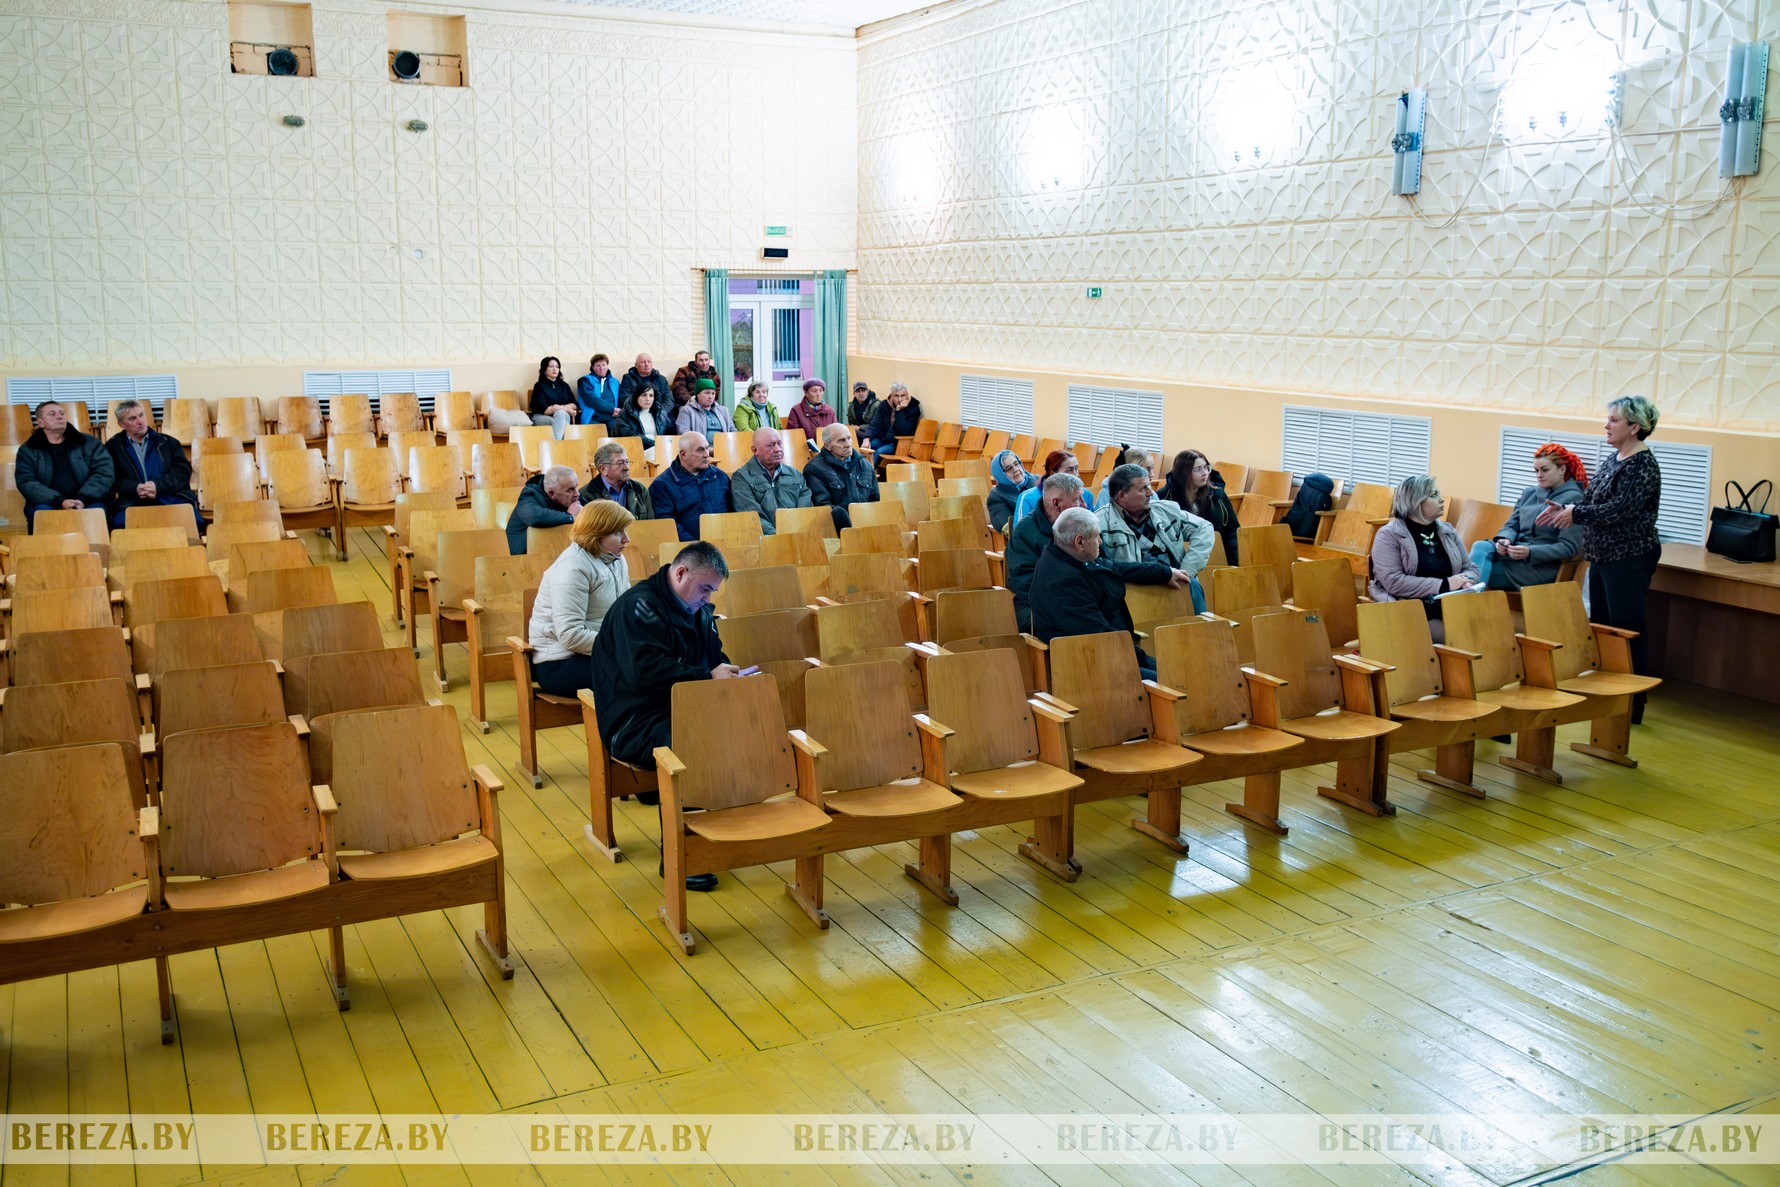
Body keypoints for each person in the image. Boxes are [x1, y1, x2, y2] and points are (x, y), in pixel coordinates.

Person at [590, 540, 741, 892]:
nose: (707, 597)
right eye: (704, 588)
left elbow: (713, 656)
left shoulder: (698, 610)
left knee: (742, 726)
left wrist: (724, 671)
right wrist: (706, 677)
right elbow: (645, 673)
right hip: (633, 720)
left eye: (712, 591)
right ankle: (680, 856)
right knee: (691, 745)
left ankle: (723, 830)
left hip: (682, 709)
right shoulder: (638, 608)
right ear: (680, 572)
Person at [1537, 395, 1663, 722]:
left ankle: (1633, 702)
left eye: (1614, 420)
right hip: (1603, 555)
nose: (1606, 425)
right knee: (1602, 626)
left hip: (1629, 556)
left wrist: (1575, 513)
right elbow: (1593, 500)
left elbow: (1620, 510)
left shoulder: (1642, 465)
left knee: (1626, 628)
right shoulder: (1615, 458)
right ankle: (1608, 695)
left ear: (1635, 427)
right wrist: (1566, 509)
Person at [1007, 471, 1193, 634]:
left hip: (1084, 598)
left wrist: (1163, 572)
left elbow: (1105, 564)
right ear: (1056, 504)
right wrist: (1088, 593)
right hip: (1048, 608)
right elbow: (1026, 584)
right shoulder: (1025, 532)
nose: (1085, 505)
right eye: (1077, 499)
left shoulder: (1082, 525)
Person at [1030, 507, 1176, 679]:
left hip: (1113, 652)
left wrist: (1164, 572)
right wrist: (1144, 659)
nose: (1100, 542)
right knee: (1173, 679)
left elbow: (1114, 567)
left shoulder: (1066, 553)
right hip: (1092, 665)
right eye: (1097, 536)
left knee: (1178, 672)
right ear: (1080, 542)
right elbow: (1099, 635)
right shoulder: (1062, 582)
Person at [527, 500, 633, 697]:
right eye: (618, 532)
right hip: (560, 662)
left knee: (657, 663)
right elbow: (570, 636)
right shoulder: (573, 568)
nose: (626, 539)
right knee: (641, 676)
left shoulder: (615, 558)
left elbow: (626, 611)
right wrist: (622, 645)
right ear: (595, 533)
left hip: (596, 652)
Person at [1368, 475, 1480, 636]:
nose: (1442, 500)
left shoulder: (1447, 530)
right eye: (1434, 495)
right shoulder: (1389, 535)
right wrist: (1443, 585)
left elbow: (1470, 568)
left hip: (1451, 606)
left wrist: (1466, 581)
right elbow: (1394, 582)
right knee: (1457, 637)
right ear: (1415, 502)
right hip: (1410, 608)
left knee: (1491, 632)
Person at [1097, 463, 1211, 612]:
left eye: (1149, 486)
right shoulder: (1099, 523)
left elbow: (1204, 528)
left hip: (1175, 583)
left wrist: (1186, 571)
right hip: (1133, 592)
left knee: (1192, 584)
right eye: (1143, 489)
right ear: (1122, 495)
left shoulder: (1166, 510)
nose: (1150, 493)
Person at [1472, 443, 1586, 591]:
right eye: (1536, 470)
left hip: (1537, 568)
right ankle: (1465, 604)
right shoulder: (1529, 493)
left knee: (1469, 572)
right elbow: (1511, 525)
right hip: (1511, 557)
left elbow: (1569, 548)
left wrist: (1530, 551)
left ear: (1562, 469)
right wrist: (1504, 540)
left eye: (1545, 470)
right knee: (1480, 546)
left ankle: (1463, 605)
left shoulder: (1575, 501)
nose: (1539, 475)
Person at [16, 400, 113, 529]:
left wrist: (84, 499)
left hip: (88, 500)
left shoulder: (89, 443)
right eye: (52, 414)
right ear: (40, 422)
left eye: (62, 413)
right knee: (42, 515)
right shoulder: (28, 449)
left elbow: (104, 472)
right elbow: (26, 482)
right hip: (48, 502)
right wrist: (60, 501)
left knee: (96, 512)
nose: (59, 416)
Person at [106, 399, 200, 532]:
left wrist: (158, 486)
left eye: (141, 415)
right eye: (133, 418)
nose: (140, 421)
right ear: (121, 424)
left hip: (170, 497)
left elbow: (182, 471)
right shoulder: (113, 447)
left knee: (193, 522)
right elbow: (111, 478)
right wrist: (135, 488)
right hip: (133, 502)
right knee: (119, 524)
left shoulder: (168, 442)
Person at [1161, 449, 1239, 564]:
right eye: (1197, 470)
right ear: (1183, 473)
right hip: (1180, 560)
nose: (1205, 473)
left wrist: (1235, 563)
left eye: (1206, 467)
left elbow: (1231, 532)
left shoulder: (1218, 495)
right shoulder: (1164, 498)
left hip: (1215, 557)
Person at [648, 432, 730, 541]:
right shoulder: (662, 486)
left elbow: (734, 513)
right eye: (700, 450)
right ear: (683, 454)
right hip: (687, 551)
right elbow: (668, 525)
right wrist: (696, 547)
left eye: (707, 448)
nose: (706, 454)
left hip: (726, 542)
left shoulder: (720, 476)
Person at [730, 427, 812, 534]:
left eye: (779, 443)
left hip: (798, 535)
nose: (778, 449)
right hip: (764, 540)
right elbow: (752, 516)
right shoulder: (741, 478)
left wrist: (797, 532)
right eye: (771, 445)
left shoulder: (795, 474)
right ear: (755, 450)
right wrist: (777, 537)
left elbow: (805, 509)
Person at [803, 422, 879, 531]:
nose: (848, 444)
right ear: (827, 446)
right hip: (835, 529)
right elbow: (824, 508)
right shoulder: (814, 469)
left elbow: (874, 500)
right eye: (841, 441)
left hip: (866, 525)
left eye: (849, 438)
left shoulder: (865, 465)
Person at [505, 465, 582, 554]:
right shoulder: (530, 495)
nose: (577, 494)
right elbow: (533, 516)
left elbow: (593, 510)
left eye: (576, 487)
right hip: (524, 559)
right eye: (570, 490)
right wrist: (571, 517)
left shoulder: (571, 495)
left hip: (555, 553)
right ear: (552, 494)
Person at [578, 441, 654, 520]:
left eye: (627, 462)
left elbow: (651, 524)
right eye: (620, 463)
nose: (627, 467)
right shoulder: (586, 495)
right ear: (603, 469)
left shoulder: (639, 489)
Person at [1013, 450, 1077, 527]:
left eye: (1076, 468)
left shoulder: (1085, 494)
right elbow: (1020, 533)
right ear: (1053, 474)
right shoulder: (1028, 498)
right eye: (1069, 470)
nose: (1075, 474)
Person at [863, 383, 921, 466]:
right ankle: (858, 474)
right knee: (868, 447)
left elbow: (904, 431)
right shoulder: (884, 405)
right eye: (896, 396)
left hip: (897, 443)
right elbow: (875, 423)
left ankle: (868, 476)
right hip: (882, 438)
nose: (900, 399)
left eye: (903, 395)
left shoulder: (913, 408)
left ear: (907, 395)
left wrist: (899, 410)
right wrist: (867, 437)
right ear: (891, 395)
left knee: (879, 452)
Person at [986, 449, 1038, 536]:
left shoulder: (1039, 480)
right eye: (1009, 468)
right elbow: (1010, 529)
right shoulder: (996, 497)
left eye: (1016, 464)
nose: (1015, 469)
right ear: (1000, 474)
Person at [529, 356, 577, 439]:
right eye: (551, 366)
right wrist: (567, 410)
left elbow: (574, 405)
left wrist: (561, 408)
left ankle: (555, 445)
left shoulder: (564, 385)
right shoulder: (539, 386)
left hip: (562, 415)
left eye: (557, 367)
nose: (555, 369)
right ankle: (560, 445)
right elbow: (545, 410)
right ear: (544, 370)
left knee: (560, 415)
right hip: (542, 417)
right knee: (562, 422)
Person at [576, 353, 622, 430]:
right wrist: (612, 409)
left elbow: (620, 399)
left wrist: (621, 411)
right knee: (596, 434)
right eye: (598, 365)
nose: (601, 368)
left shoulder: (615, 382)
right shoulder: (586, 381)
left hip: (612, 416)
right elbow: (591, 399)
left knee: (619, 431)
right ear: (593, 367)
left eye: (603, 365)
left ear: (607, 366)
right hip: (593, 416)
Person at [784, 379, 837, 446]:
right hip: (805, 451)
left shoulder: (830, 411)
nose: (818, 394)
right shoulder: (796, 410)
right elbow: (793, 436)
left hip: (828, 450)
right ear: (806, 393)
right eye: (814, 391)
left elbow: (836, 433)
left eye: (821, 391)